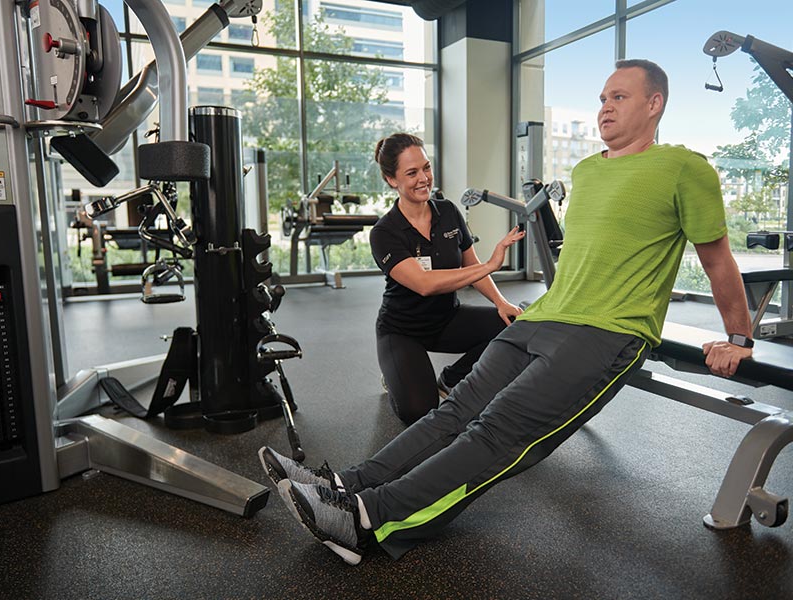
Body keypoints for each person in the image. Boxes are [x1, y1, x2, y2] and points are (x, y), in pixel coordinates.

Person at [258, 59, 755, 566]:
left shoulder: (685, 168)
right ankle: (346, 482)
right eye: (602, 97)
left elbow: (717, 259)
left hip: (607, 333)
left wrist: (738, 336)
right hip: (543, 317)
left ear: (655, 104)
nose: (604, 107)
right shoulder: (586, 171)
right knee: (453, 412)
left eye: (619, 97)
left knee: (495, 431)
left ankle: (365, 518)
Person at [369, 133, 525, 424]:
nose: (423, 178)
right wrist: (492, 264)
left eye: (426, 168)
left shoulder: (449, 212)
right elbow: (425, 284)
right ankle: (396, 378)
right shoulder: (384, 232)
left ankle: (451, 378)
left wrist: (501, 302)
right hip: (402, 330)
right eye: (412, 173)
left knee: (512, 326)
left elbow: (471, 265)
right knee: (420, 412)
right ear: (392, 180)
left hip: (447, 319)